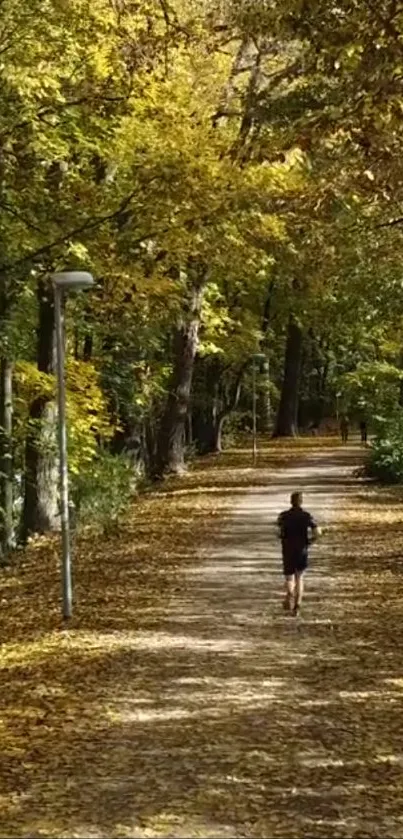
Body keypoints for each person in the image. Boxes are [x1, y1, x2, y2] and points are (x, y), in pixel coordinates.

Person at [277, 491, 319, 616]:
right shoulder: (307, 516)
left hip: (287, 549)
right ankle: (297, 606)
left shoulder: (283, 516)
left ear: (291, 501)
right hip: (302, 549)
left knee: (289, 577)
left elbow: (278, 531)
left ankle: (289, 593)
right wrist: (311, 541)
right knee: (299, 577)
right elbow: (318, 532)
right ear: (301, 502)